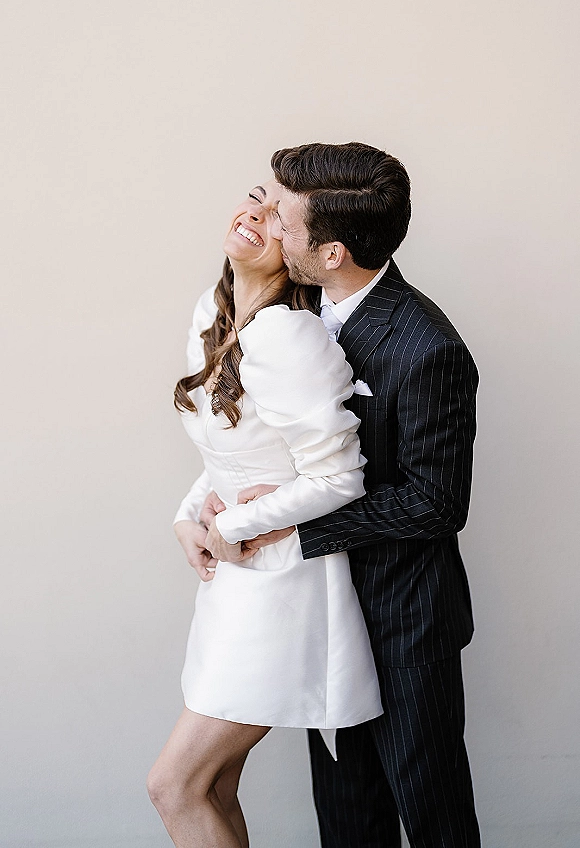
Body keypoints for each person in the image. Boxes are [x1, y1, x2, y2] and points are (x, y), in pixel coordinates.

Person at [203, 143, 481, 847]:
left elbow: (436, 504)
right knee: (347, 819)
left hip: (403, 620)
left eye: (284, 221)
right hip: (322, 612)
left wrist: (293, 530)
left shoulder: (428, 349)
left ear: (331, 253)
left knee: (432, 816)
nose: (267, 224)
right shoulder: (291, 304)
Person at [146, 179, 383, 848]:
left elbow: (341, 477)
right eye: (257, 197)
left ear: (303, 253)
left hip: (283, 588)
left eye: (277, 217)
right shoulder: (212, 312)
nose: (256, 213)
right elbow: (232, 448)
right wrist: (188, 519)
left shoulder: (286, 334)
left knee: (174, 786)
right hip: (233, 583)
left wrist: (231, 528)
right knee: (214, 787)